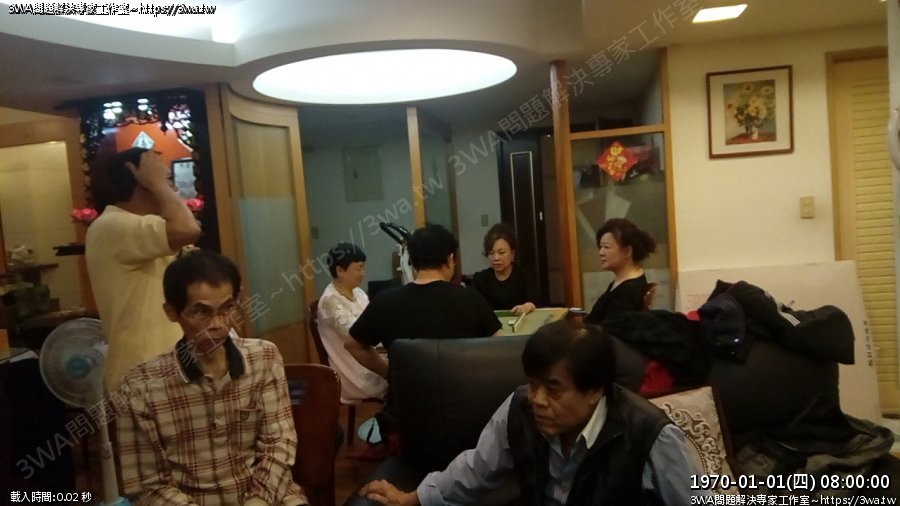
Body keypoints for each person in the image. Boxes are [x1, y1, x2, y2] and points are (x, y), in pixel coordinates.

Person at [359, 320, 706, 506]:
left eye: (553, 389)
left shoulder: (650, 435)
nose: (537, 399)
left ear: (595, 390)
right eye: (532, 384)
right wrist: (414, 498)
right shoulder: (519, 408)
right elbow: (477, 468)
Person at [114, 250, 306, 505]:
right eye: (201, 312)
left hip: (265, 495)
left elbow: (279, 443)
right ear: (171, 312)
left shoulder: (264, 358)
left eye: (227, 308)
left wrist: (259, 499)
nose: (218, 324)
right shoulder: (140, 387)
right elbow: (148, 485)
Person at [86, 147, 201, 391]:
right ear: (143, 182)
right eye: (166, 179)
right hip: (146, 373)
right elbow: (188, 229)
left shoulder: (145, 227)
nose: (173, 189)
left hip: (172, 366)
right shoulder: (112, 225)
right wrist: (158, 184)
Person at [348, 224, 501, 377]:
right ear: (450, 259)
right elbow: (500, 346)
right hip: (462, 389)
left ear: (413, 262)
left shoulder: (383, 302)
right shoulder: (471, 299)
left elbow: (352, 345)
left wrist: (390, 372)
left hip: (406, 391)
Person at [317, 242, 387, 403]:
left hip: (366, 355)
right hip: (353, 370)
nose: (363, 273)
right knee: (404, 374)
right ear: (340, 271)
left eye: (363, 268)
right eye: (358, 268)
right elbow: (359, 339)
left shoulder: (358, 292)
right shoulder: (330, 302)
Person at [584, 218, 656, 325]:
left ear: (627, 251)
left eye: (606, 247)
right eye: (600, 247)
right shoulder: (624, 280)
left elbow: (610, 330)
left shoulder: (627, 292)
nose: (601, 252)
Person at [468, 223, 540, 314]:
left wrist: (526, 307)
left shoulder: (524, 276)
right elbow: (469, 303)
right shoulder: (480, 279)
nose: (496, 258)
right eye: (491, 253)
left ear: (512, 254)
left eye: (501, 253)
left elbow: (534, 301)